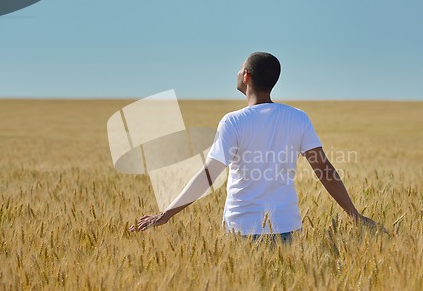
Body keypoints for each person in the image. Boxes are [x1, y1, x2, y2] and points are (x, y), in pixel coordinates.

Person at [130, 52, 386, 239]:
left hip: (241, 229)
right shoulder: (298, 117)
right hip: (288, 228)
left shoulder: (233, 121)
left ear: (246, 76)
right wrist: (354, 213)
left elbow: (209, 175)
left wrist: (166, 214)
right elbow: (324, 170)